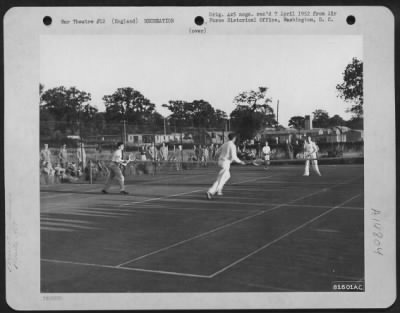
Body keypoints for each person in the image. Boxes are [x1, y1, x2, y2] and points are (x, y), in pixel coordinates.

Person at [206, 133, 245, 200]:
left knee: (227, 176)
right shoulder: (232, 145)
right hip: (225, 163)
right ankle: (215, 190)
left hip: (221, 162)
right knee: (221, 177)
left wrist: (215, 157)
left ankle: (214, 190)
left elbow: (217, 152)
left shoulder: (225, 144)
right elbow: (234, 157)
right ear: (234, 138)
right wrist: (240, 161)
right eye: (235, 138)